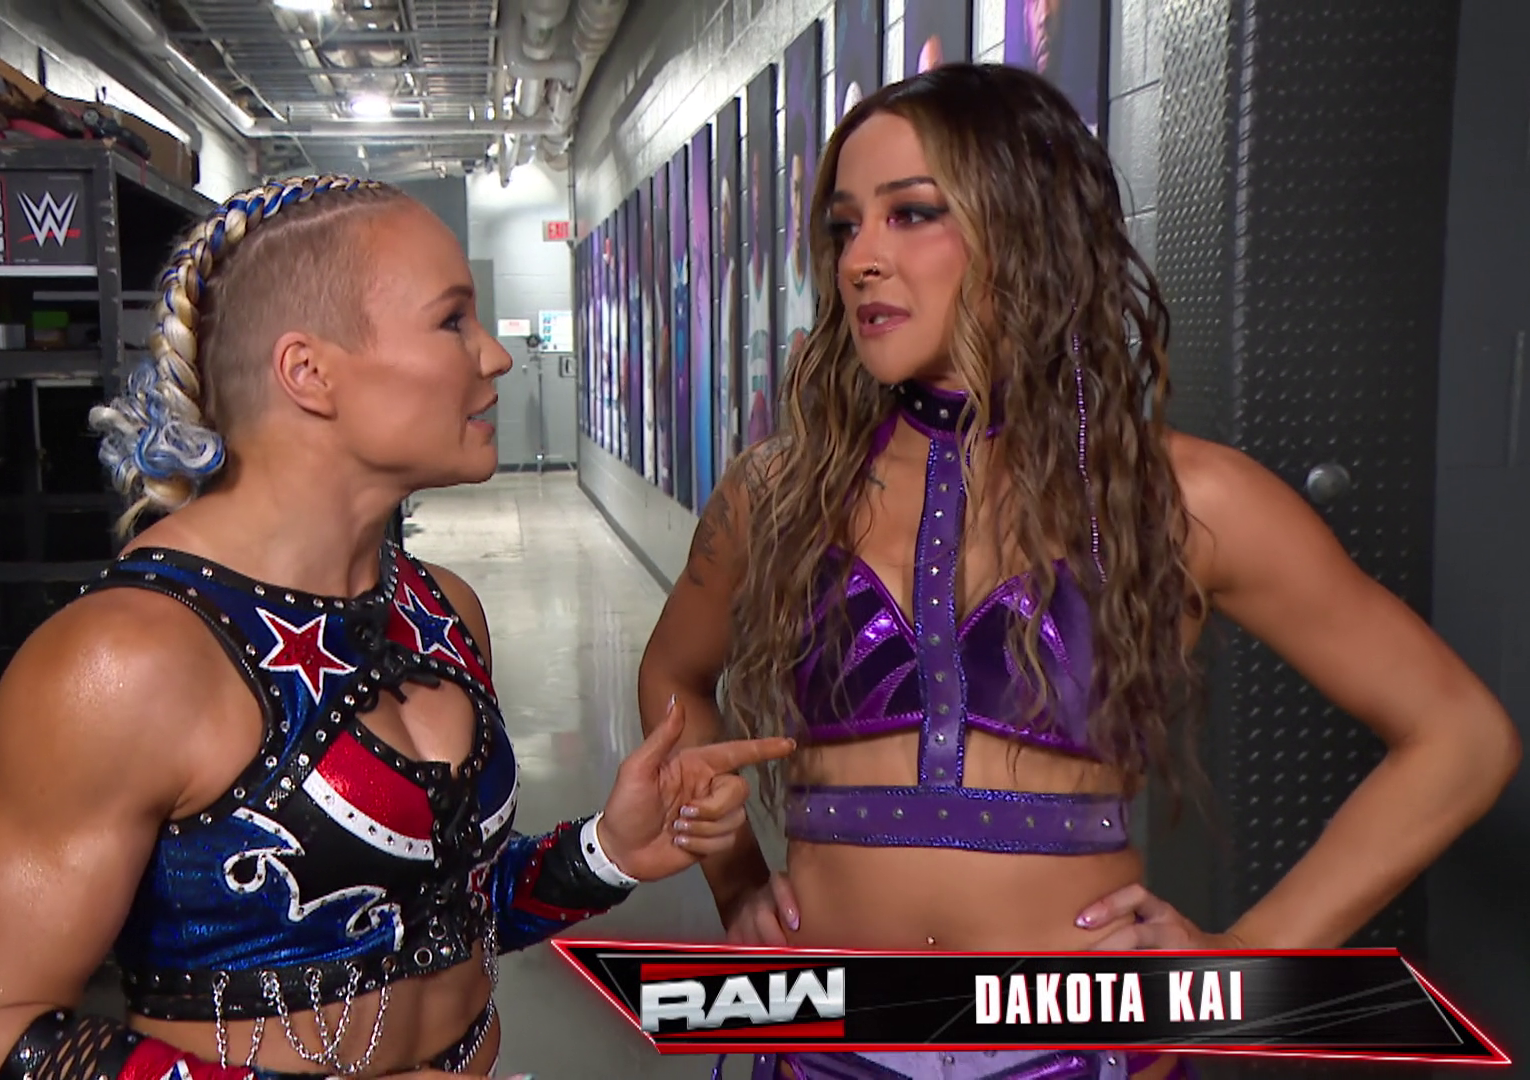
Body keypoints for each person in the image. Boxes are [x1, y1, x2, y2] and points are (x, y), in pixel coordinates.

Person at [635, 63, 1520, 1080]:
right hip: (825, 1044)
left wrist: (1238, 961)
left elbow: (1461, 738)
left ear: (1026, 226)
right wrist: (736, 886)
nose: (861, 259)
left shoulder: (1182, 498)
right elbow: (673, 675)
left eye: (911, 213)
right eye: (845, 226)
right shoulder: (777, 489)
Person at [0, 175, 794, 1080]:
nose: (495, 355)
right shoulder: (123, 659)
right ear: (309, 372)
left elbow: (425, 917)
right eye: (452, 320)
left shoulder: (442, 608)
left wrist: (606, 852)